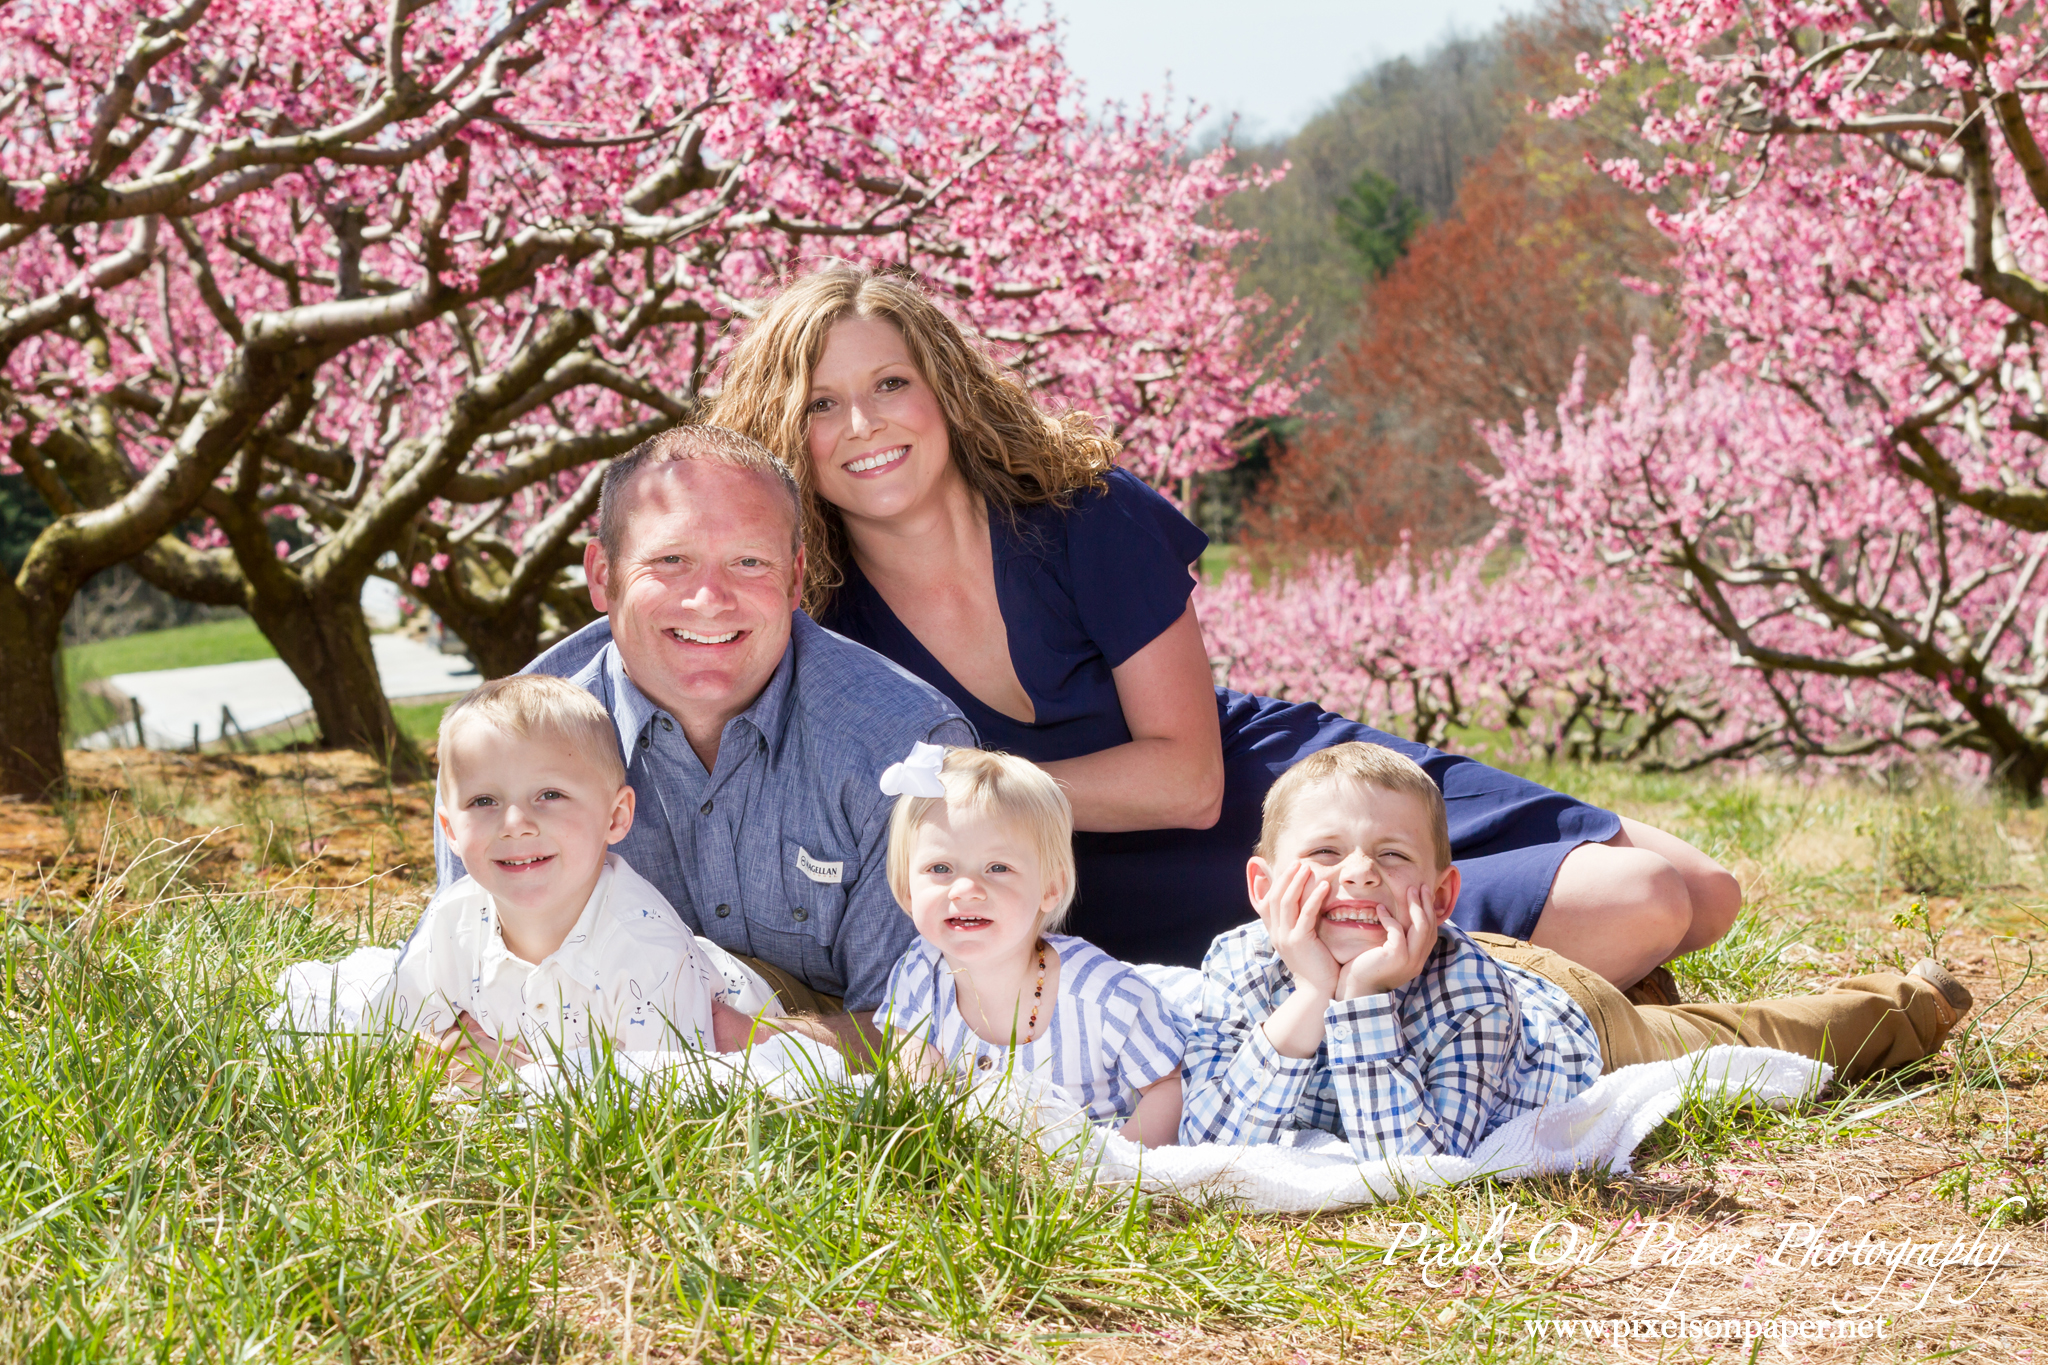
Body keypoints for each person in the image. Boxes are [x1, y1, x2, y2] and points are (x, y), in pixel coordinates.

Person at [704, 264, 1742, 987]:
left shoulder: (1082, 515)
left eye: (890, 384)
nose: (864, 425)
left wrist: (962, 794)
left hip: (1263, 784)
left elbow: (1185, 780)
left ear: (946, 393)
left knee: (1709, 895)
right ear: (783, 432)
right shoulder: (813, 618)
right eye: (821, 405)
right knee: (1643, 903)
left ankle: (1470, 992)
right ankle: (1425, 1001)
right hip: (1107, 887)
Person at [438, 424, 977, 1056]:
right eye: (670, 560)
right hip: (563, 1046)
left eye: (749, 562)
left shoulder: (902, 746)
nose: (708, 600)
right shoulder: (503, 743)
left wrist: (717, 1049)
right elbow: (464, 996)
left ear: (796, 577)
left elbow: (921, 1033)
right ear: (603, 574)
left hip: (808, 1096)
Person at [1180, 743, 1973, 1156]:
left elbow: (1414, 1167)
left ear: (1442, 893)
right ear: (1262, 886)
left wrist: (1355, 1003)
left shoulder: (1472, 999)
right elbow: (1206, 1143)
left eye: (1392, 856)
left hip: (1561, 1015)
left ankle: (1906, 1006)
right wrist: (1311, 995)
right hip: (1433, 967)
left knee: (1734, 1041)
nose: (1358, 872)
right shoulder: (1237, 963)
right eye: (1324, 854)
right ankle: (1653, 982)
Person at [387, 675, 787, 1079]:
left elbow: (669, 1104)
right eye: (483, 801)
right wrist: (439, 1051)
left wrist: (510, 1072)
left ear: (615, 817)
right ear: (451, 830)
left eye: (549, 795)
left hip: (733, 1033)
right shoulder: (452, 920)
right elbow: (397, 1039)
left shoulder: (644, 951)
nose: (515, 824)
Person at [873, 743, 1183, 1145]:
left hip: (1096, 1160)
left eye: (997, 867)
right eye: (940, 868)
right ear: (906, 889)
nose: (966, 890)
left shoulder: (1105, 997)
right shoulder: (920, 973)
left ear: (1049, 888)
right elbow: (912, 1066)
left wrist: (1119, 1172)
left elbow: (1169, 1085)